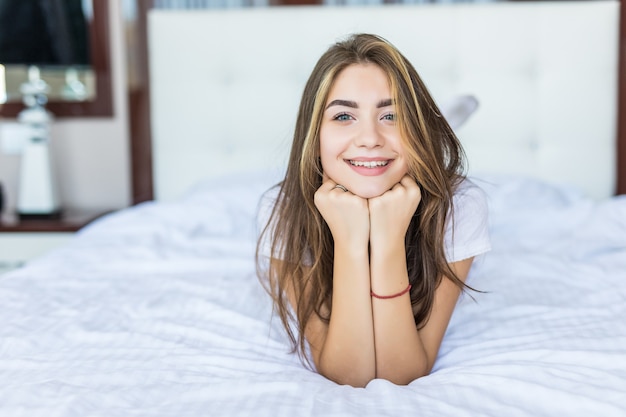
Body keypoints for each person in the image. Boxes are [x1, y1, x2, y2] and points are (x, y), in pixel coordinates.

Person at [256, 33, 491, 388]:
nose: (369, 137)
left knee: (416, 154)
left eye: (391, 114)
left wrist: (388, 238)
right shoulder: (283, 212)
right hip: (375, 164)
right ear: (314, 136)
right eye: (344, 116)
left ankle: (442, 122)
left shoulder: (460, 205)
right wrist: (351, 242)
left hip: (405, 159)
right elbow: (350, 374)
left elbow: (403, 373)